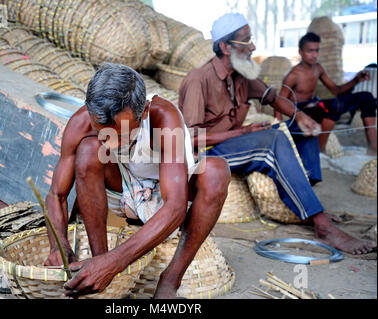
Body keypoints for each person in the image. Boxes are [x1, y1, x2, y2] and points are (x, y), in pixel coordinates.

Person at [178, 12, 376, 255]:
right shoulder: (199, 79)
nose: (252, 47)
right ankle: (322, 226)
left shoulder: (241, 74)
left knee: (301, 131)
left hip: (233, 145)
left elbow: (273, 98)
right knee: (271, 139)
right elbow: (190, 139)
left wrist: (302, 118)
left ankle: (310, 205)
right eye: (246, 41)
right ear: (225, 47)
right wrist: (244, 131)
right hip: (207, 157)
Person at [43, 62, 230, 298]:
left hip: (168, 194)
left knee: (216, 171)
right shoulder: (80, 123)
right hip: (121, 192)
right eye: (101, 130)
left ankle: (170, 280)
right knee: (89, 150)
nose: (108, 142)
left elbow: (175, 207)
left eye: (119, 133)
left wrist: (116, 262)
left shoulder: (164, 117)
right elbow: (56, 195)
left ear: (143, 112)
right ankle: (99, 258)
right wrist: (58, 245)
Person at [276, 32, 377, 155]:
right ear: (300, 52)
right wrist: (280, 128)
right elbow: (279, 102)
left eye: (317, 51)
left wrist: (356, 79)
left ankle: (373, 146)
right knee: (332, 106)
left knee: (367, 97)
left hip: (315, 106)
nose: (314, 55)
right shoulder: (293, 75)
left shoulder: (318, 68)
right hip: (300, 111)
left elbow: (336, 90)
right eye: (310, 51)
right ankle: (320, 150)